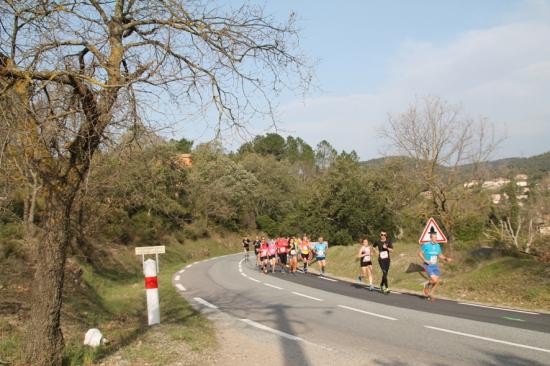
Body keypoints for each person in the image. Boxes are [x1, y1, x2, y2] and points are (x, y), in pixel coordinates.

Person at [419, 233, 452, 302]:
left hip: (435, 265)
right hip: (427, 265)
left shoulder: (438, 246)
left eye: (436, 238)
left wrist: (446, 258)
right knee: (434, 280)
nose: (435, 239)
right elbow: (420, 253)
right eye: (434, 238)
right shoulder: (426, 245)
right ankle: (427, 285)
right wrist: (425, 260)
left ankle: (431, 293)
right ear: (431, 238)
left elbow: (439, 255)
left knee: (437, 281)